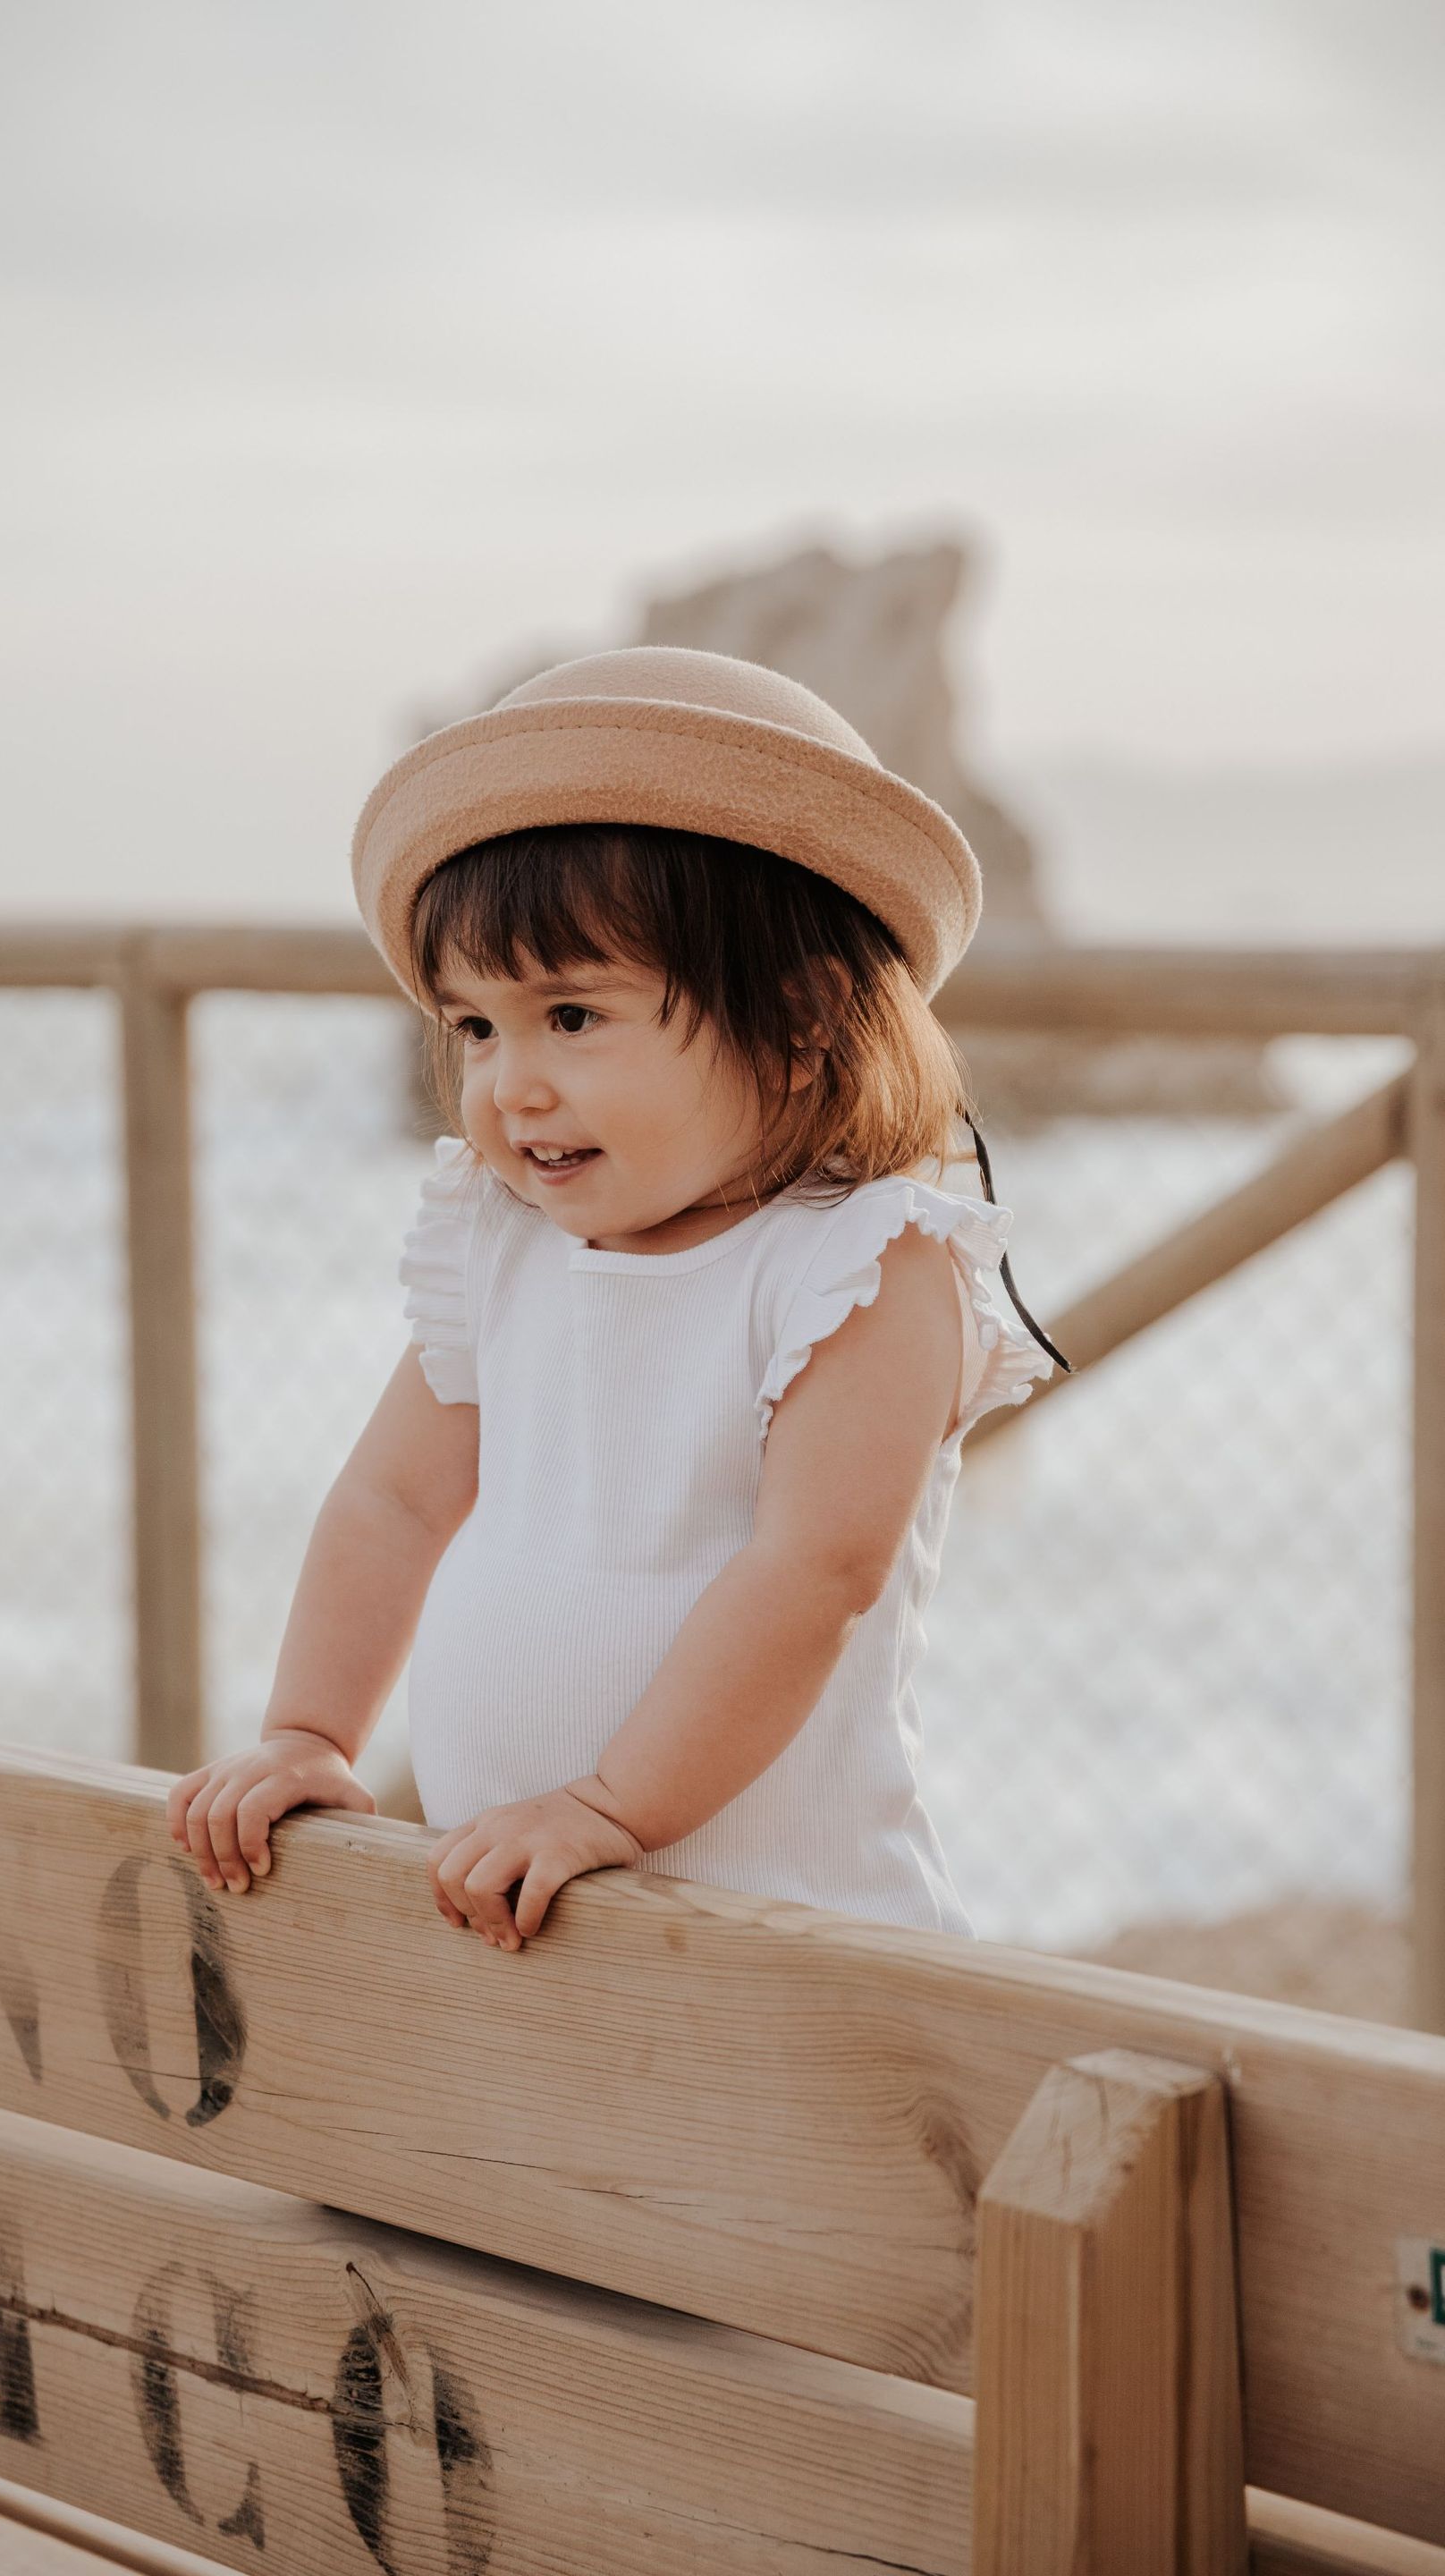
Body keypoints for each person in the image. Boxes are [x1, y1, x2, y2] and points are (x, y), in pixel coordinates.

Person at [167, 647, 1066, 1949]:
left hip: (787, 1949)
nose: (510, 1086)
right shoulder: (505, 1243)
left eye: (574, 1017)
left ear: (801, 1018)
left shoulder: (862, 1265)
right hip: (526, 1913)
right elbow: (394, 1502)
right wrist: (308, 1732)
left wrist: (609, 1808)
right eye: (476, 1027)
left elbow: (814, 1573)